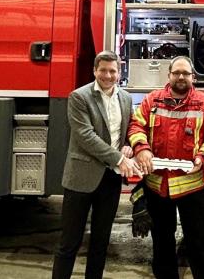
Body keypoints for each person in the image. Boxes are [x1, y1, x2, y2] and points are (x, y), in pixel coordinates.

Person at [127, 56, 204, 279]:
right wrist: (141, 148)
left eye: (185, 73)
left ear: (193, 77)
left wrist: (203, 157)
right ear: (169, 75)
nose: (181, 77)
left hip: (191, 188)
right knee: (162, 244)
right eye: (176, 73)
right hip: (157, 187)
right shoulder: (152, 100)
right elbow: (136, 126)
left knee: (200, 243)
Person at [52, 50, 142, 279]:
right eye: (103, 70)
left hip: (110, 179)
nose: (108, 75)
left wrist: (129, 144)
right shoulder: (79, 97)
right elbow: (85, 136)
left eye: (113, 71)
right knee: (69, 242)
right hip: (81, 178)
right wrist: (120, 158)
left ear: (119, 73)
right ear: (95, 71)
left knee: (101, 242)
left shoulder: (126, 98)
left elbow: (129, 128)